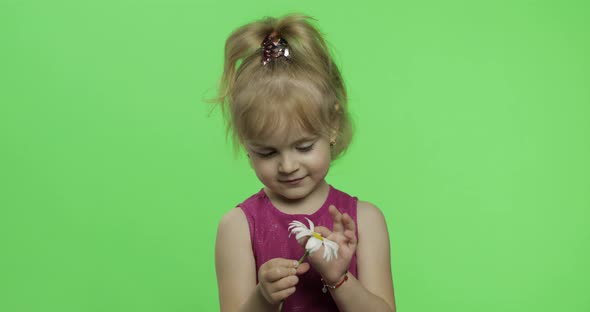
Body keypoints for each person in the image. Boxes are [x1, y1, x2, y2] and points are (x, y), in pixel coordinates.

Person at [214, 13, 396, 312]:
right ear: (247, 146)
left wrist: (338, 279)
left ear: (333, 126)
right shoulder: (237, 227)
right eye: (267, 153)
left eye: (304, 146)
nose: (287, 166)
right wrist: (263, 297)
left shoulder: (365, 221)